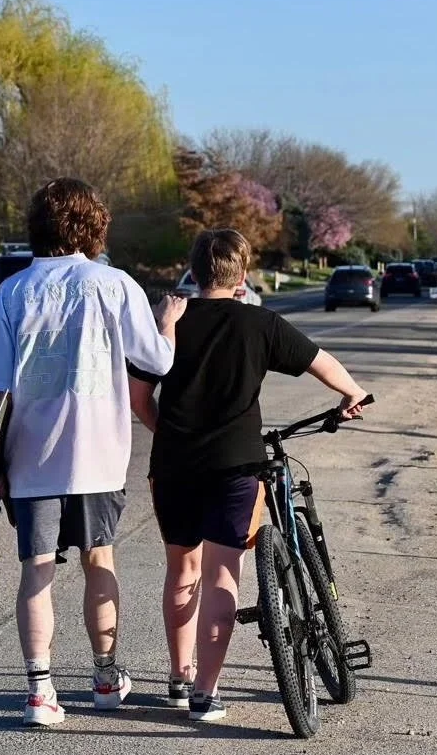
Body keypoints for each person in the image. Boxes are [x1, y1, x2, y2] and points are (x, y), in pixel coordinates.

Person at [129, 229, 369, 723]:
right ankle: (205, 694)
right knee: (223, 574)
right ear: (242, 275)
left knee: (182, 571)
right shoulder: (260, 323)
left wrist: (168, 434)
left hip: (174, 467)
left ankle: (179, 678)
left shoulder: (168, 321)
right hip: (237, 466)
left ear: (193, 272)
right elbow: (320, 362)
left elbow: (138, 398)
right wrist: (352, 394)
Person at [0, 178, 186, 727]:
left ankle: (40, 691)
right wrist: (168, 324)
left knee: (36, 571)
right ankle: (105, 677)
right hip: (97, 454)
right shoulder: (114, 285)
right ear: (93, 226)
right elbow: (158, 362)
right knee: (100, 562)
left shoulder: (12, 292)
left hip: (31, 456)